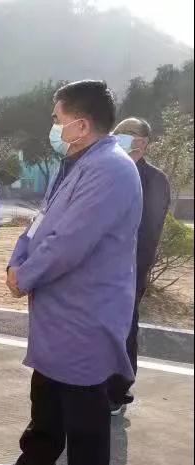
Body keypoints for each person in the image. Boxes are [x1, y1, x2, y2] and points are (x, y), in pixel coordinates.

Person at [0, 81, 142, 465]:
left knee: (83, 401)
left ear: (81, 123)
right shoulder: (77, 162)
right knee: (48, 388)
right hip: (58, 303)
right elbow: (41, 223)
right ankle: (38, 459)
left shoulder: (111, 169)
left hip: (86, 307)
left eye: (57, 119)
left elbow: (69, 241)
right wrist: (17, 260)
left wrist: (25, 276)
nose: (54, 127)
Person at [109, 117, 171, 414]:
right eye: (118, 133)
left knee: (125, 327)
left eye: (128, 134)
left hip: (131, 268)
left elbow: (149, 232)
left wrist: (132, 271)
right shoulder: (107, 171)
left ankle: (119, 389)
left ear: (143, 142)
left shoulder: (155, 180)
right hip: (99, 269)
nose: (120, 138)